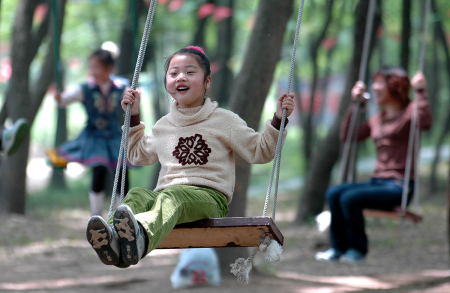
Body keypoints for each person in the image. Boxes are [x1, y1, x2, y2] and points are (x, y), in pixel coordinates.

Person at [85, 46, 295, 268]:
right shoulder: (164, 125)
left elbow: (259, 150)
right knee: (137, 195)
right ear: (167, 82)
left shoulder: (225, 121)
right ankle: (112, 241)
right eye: (173, 73)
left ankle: (140, 237)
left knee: (173, 197)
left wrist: (278, 119)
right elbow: (137, 155)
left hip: (209, 197)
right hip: (167, 198)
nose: (180, 77)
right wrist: (134, 116)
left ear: (207, 82)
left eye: (190, 72)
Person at [315, 68, 432, 264]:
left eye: (379, 83)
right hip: (378, 183)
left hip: (399, 186)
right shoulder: (377, 119)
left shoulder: (411, 112)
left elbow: (426, 123)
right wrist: (356, 104)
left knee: (349, 198)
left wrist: (420, 91)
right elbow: (348, 135)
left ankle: (357, 250)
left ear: (394, 87)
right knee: (334, 192)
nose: (374, 87)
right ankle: (338, 249)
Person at [55, 49, 130, 216]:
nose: (93, 72)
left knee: (123, 169)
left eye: (97, 67)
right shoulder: (86, 88)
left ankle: (123, 211)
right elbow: (66, 99)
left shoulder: (121, 86)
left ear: (110, 68)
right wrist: (60, 97)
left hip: (114, 135)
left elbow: (132, 98)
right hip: (95, 136)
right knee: (99, 168)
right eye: (91, 67)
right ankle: (96, 213)